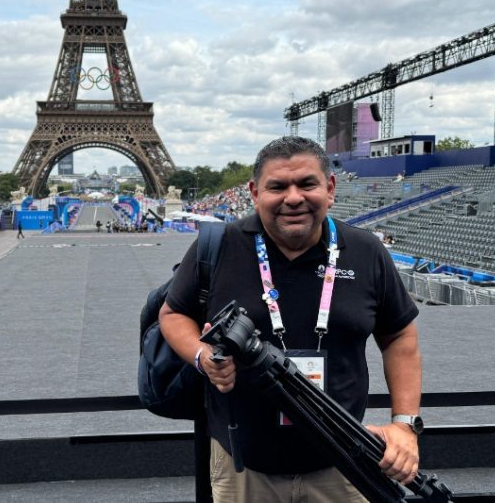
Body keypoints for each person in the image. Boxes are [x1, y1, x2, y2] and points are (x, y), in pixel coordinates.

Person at [159, 136, 422, 502]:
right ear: (255, 193)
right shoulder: (218, 248)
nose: (294, 197)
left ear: (330, 188)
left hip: (345, 465)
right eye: (278, 187)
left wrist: (405, 424)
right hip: (244, 467)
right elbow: (173, 313)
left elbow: (399, 337)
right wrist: (202, 356)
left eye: (307, 184)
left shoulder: (366, 251)